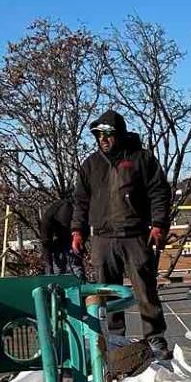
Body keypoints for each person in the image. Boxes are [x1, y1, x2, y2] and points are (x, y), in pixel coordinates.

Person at [71, 110, 171, 350]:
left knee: (145, 290)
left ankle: (154, 336)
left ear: (120, 134)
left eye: (108, 134)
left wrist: (158, 225)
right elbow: (81, 201)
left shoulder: (141, 159)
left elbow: (159, 192)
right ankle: (114, 339)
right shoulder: (91, 164)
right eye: (98, 135)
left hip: (135, 235)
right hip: (103, 239)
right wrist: (77, 230)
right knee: (106, 294)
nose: (103, 139)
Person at [40, 196, 78, 275]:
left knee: (75, 267)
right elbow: (45, 244)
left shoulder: (75, 212)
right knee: (58, 268)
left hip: (72, 240)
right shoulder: (47, 221)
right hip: (57, 245)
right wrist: (49, 268)